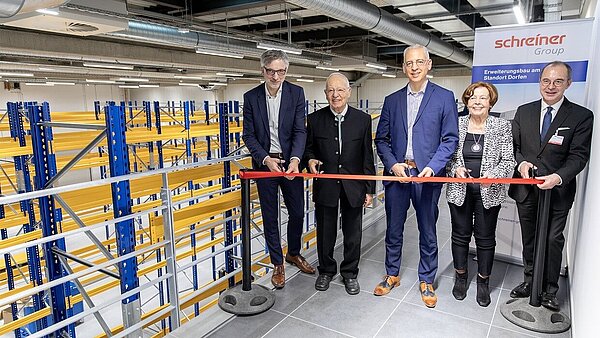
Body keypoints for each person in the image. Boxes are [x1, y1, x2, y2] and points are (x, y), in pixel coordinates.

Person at [374, 44, 459, 308]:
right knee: (394, 229)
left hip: (427, 175)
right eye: (409, 63)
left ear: (429, 64)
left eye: (419, 62)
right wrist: (392, 164)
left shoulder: (444, 97)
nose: (414, 68)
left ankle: (426, 280)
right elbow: (382, 140)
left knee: (428, 229)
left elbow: (450, 139)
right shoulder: (392, 100)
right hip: (398, 174)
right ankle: (392, 274)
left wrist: (432, 167)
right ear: (403, 67)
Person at [508, 61, 593, 311]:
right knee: (530, 238)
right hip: (527, 190)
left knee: (553, 239)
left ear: (568, 83)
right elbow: (516, 148)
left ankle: (549, 289)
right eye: (546, 80)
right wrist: (522, 164)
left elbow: (579, 156)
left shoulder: (580, 116)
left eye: (558, 81)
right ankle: (529, 280)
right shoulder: (524, 111)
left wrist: (558, 177)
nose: (551, 86)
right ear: (540, 82)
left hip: (558, 192)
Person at [242, 49, 316, 289]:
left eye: (281, 71)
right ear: (263, 70)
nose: (276, 77)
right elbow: (249, 135)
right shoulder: (251, 97)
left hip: (289, 163)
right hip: (265, 165)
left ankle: (293, 252)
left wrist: (295, 159)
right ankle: (277, 263)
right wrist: (265, 159)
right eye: (271, 71)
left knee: (297, 212)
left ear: (286, 71)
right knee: (270, 215)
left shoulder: (296, 93)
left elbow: (299, 130)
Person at [304, 73, 376, 295]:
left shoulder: (362, 120)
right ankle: (326, 270)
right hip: (326, 186)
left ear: (349, 92)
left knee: (353, 232)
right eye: (330, 91)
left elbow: (367, 156)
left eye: (340, 90)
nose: (335, 95)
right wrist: (310, 160)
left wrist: (370, 189)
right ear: (325, 93)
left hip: (354, 186)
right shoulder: (315, 120)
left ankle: (349, 273)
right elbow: (309, 149)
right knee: (325, 231)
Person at [446, 82, 516, 307]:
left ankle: (483, 281)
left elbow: (509, 161)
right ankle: (461, 276)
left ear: (491, 102)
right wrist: (455, 168)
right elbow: (446, 156)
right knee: (460, 235)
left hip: (489, 192)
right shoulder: (455, 124)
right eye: (472, 97)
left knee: (485, 239)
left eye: (483, 98)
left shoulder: (502, 126)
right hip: (459, 190)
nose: (477, 101)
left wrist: (493, 174)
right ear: (467, 101)